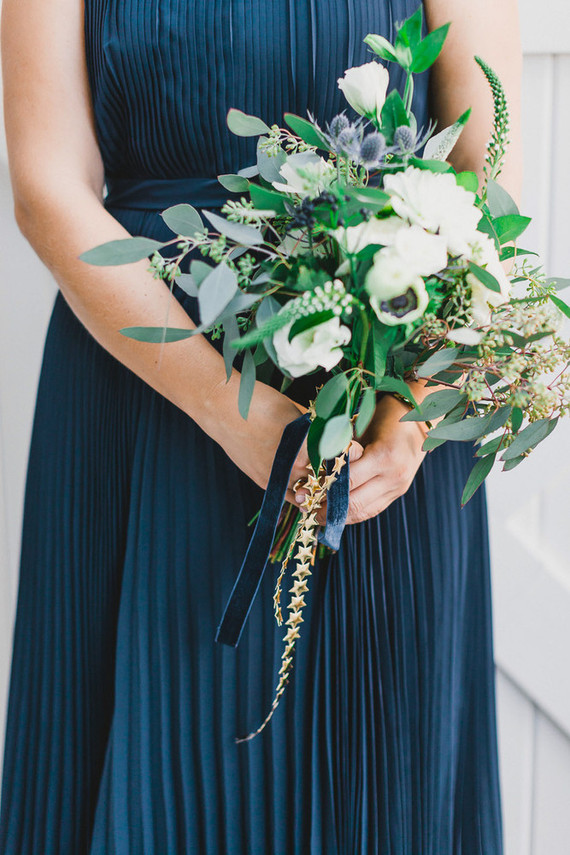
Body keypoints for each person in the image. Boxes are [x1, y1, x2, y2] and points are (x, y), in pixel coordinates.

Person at [0, 0, 522, 852]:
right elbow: (47, 187)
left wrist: (412, 411)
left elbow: (483, 169)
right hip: (143, 394)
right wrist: (228, 408)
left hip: (377, 413)